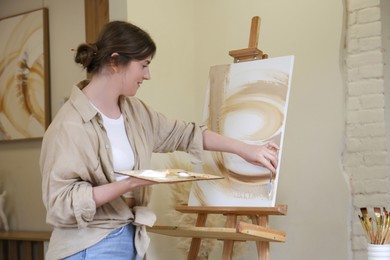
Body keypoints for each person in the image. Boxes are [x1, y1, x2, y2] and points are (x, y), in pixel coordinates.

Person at [40, 20, 279, 260]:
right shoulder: (68, 126)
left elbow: (186, 133)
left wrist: (246, 149)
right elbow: (60, 204)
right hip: (89, 246)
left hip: (129, 236)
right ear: (115, 62)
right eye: (143, 65)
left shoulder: (136, 113)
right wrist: (131, 183)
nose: (148, 75)